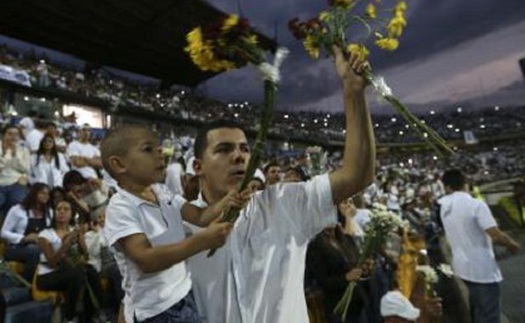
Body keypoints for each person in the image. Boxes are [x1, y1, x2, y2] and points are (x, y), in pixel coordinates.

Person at [187, 46, 375, 323]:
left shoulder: (284, 203)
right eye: (224, 149)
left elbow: (358, 175)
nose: (239, 156)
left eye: (244, 148)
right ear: (197, 167)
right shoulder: (178, 227)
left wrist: (353, 93)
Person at [100, 125, 249, 323]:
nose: (160, 153)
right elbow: (146, 260)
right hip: (156, 311)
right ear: (119, 164)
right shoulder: (121, 207)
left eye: (159, 148)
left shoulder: (162, 191)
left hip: (182, 297)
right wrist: (202, 242)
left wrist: (227, 200)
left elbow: (200, 216)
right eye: (148, 149)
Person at [438, 169, 521, 323]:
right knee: (489, 314)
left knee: (476, 311)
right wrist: (511, 244)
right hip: (481, 269)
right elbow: (495, 234)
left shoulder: (444, 206)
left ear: (447, 187)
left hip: (461, 266)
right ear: (466, 183)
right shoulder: (475, 204)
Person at [36, 199, 104, 323]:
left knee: (91, 272)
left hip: (71, 271)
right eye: (58, 209)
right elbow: (52, 262)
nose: (61, 212)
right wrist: (68, 241)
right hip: (47, 275)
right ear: (54, 213)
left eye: (66, 209)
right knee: (76, 274)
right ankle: (70, 317)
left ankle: (92, 315)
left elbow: (86, 256)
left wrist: (80, 239)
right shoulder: (45, 234)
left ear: (72, 214)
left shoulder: (74, 230)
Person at [1, 183, 52, 281]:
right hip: (16, 248)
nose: (46, 196)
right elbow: (3, 232)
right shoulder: (18, 210)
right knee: (33, 250)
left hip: (40, 247)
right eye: (43, 193)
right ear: (34, 194)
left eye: (48, 194)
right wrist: (24, 238)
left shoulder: (49, 212)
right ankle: (26, 282)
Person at [0, 124, 30, 216]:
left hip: (16, 182)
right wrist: (6, 154)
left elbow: (26, 169)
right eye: (10, 134)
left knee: (15, 205)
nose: (13, 137)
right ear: (3, 135)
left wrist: (15, 155)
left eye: (16, 134)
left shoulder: (24, 150)